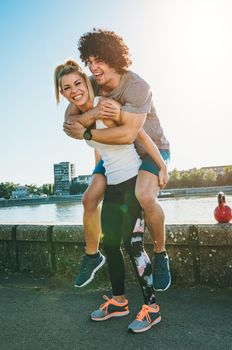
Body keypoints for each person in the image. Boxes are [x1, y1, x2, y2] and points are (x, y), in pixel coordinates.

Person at [54, 59, 166, 333]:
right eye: (66, 88)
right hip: (113, 184)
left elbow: (138, 134)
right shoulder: (77, 118)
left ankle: (152, 309)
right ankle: (119, 302)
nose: (74, 90)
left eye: (78, 83)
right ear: (62, 93)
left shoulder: (105, 105)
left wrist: (161, 166)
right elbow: (99, 148)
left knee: (133, 246)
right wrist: (97, 171)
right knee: (110, 246)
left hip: (131, 181)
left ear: (87, 82)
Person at [63, 29, 171, 292]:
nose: (92, 67)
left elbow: (130, 134)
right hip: (113, 152)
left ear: (113, 58)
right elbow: (69, 122)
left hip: (150, 149)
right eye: (88, 61)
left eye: (98, 60)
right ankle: (92, 255)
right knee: (89, 198)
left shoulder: (137, 87)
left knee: (145, 196)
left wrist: (86, 130)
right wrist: (92, 119)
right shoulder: (90, 83)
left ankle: (160, 254)